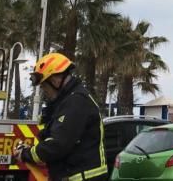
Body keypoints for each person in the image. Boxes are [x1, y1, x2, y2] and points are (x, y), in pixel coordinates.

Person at [13, 53, 107, 181]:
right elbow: (51, 138)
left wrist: (26, 154)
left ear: (55, 80)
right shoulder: (67, 102)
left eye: (44, 86)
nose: (44, 91)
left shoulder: (76, 102)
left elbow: (57, 145)